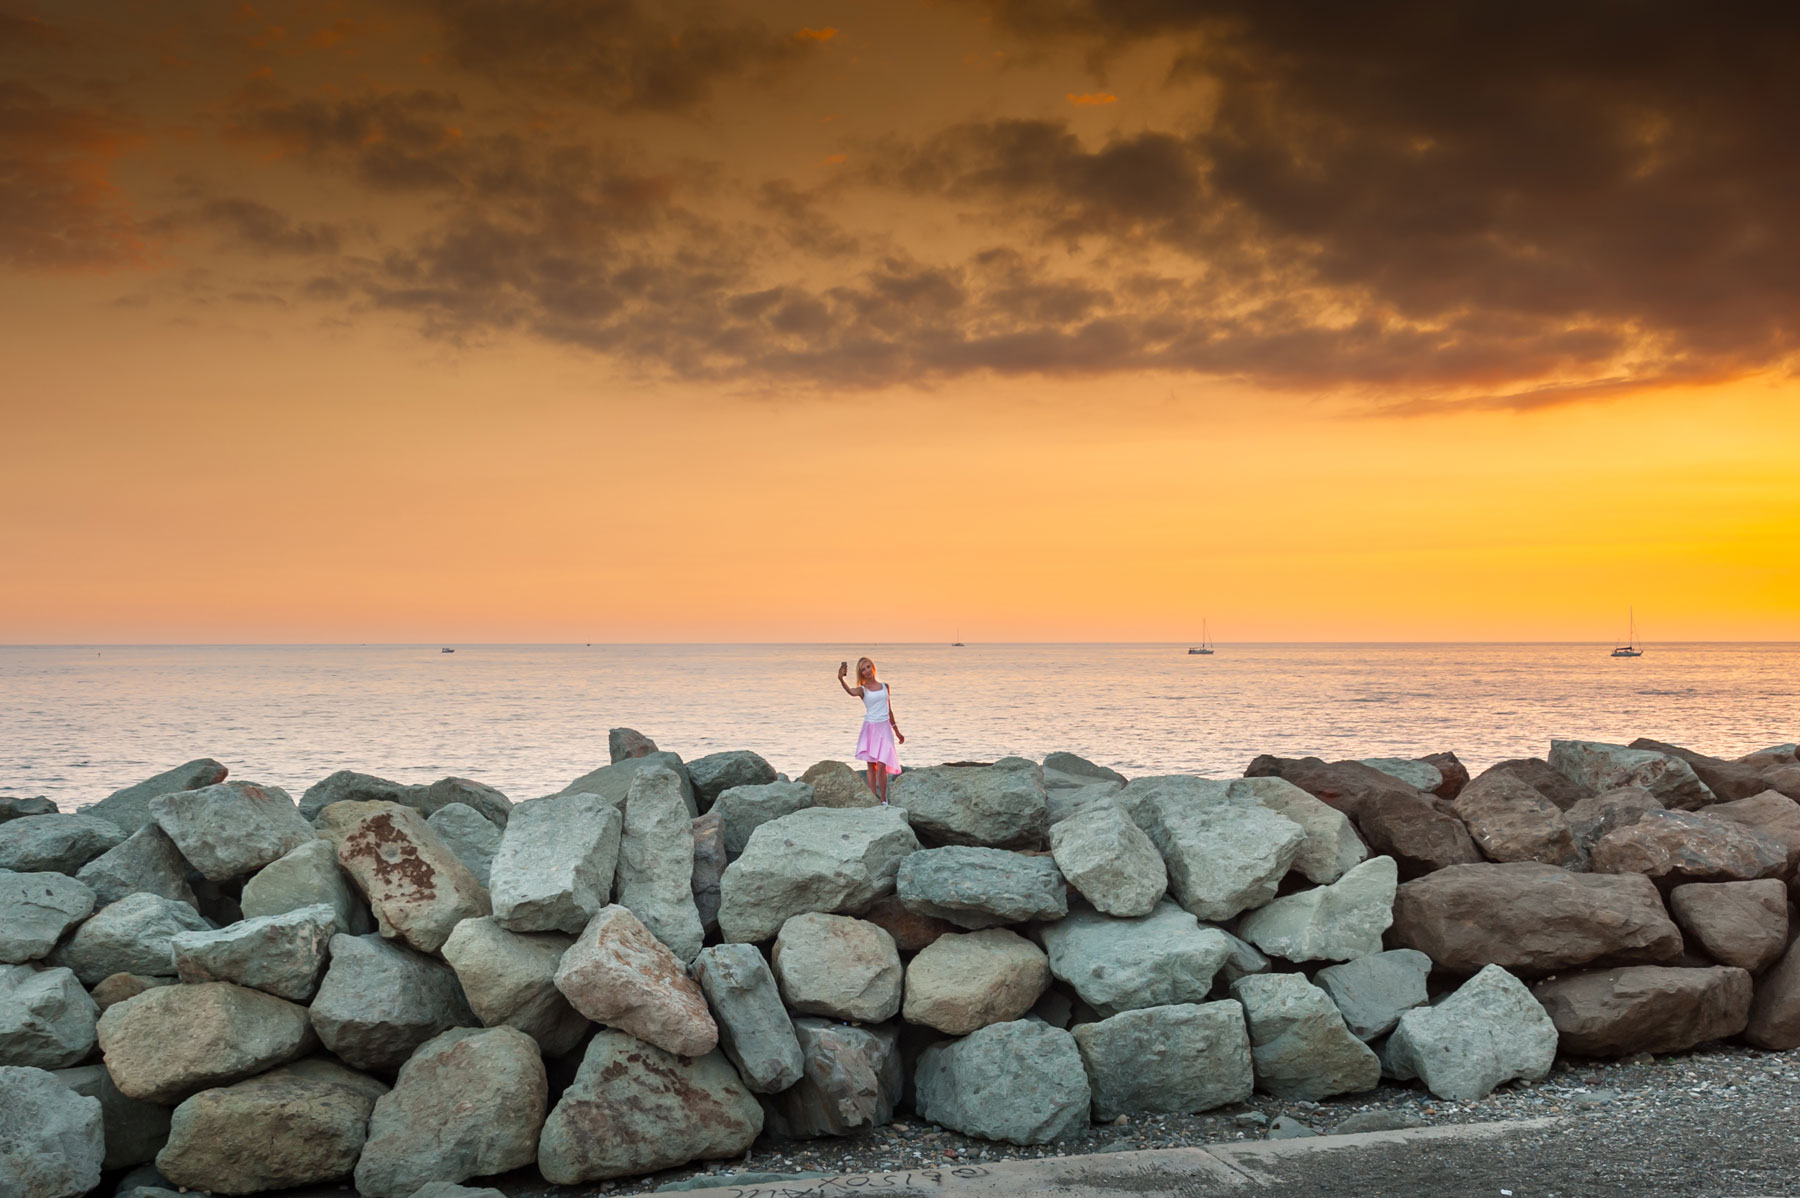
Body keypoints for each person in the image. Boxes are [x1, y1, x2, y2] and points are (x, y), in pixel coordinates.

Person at [837, 656, 904, 804]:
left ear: (872, 667)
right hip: (870, 727)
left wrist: (897, 731)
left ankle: (883, 799)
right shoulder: (863, 689)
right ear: (861, 673)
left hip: (885, 727)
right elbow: (851, 692)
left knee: (882, 764)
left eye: (868, 667)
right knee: (871, 764)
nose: (866, 670)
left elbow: (889, 710)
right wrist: (841, 679)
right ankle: (873, 797)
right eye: (863, 669)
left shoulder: (885, 686)